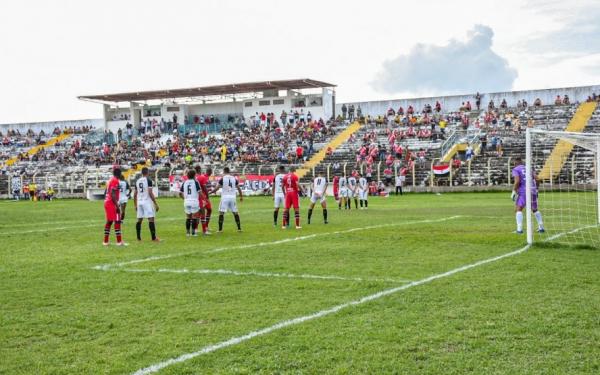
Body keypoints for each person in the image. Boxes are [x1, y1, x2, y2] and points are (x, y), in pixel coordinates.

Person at [511, 157, 544, 234]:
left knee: (518, 209)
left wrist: (514, 191)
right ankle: (541, 228)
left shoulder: (516, 169)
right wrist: (536, 189)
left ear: (515, 163)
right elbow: (537, 179)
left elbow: (517, 181)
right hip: (533, 190)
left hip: (523, 191)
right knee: (535, 209)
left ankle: (519, 230)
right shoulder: (528, 168)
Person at [211, 167, 243, 232]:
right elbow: (239, 188)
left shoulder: (223, 179)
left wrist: (211, 192)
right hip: (232, 197)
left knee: (221, 213)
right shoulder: (234, 178)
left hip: (225, 197)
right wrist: (241, 197)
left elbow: (217, 188)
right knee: (235, 212)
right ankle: (239, 228)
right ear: (229, 171)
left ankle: (220, 230)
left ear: (224, 171)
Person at [134, 167, 160, 242]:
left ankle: (138, 238)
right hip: (147, 202)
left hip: (139, 202)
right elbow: (150, 192)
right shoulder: (148, 180)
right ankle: (154, 238)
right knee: (151, 219)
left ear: (142, 173)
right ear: (147, 172)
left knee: (139, 220)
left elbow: (135, 194)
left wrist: (135, 205)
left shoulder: (138, 181)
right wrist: (155, 203)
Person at [103, 167, 126, 246]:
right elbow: (112, 193)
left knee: (109, 221)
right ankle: (119, 242)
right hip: (112, 203)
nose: (121, 174)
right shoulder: (115, 180)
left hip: (107, 202)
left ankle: (105, 241)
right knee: (117, 221)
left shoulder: (110, 180)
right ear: (118, 173)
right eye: (120, 173)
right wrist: (117, 205)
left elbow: (108, 191)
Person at [180, 169, 201, 236]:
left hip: (187, 201)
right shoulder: (196, 182)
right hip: (194, 201)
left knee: (188, 217)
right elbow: (200, 192)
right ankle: (194, 232)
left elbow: (180, 193)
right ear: (194, 175)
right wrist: (203, 199)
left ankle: (188, 233)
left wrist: (184, 198)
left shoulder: (184, 182)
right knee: (194, 217)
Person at [194, 165, 211, 235]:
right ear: (200, 169)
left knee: (200, 212)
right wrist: (207, 196)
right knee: (203, 212)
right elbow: (204, 187)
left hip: (195, 197)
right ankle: (204, 229)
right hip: (202, 196)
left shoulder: (193, 178)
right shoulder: (201, 177)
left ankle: (196, 229)